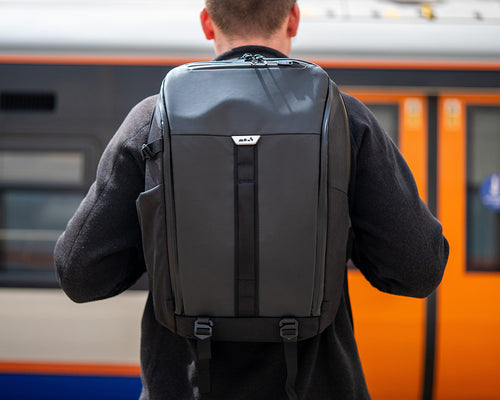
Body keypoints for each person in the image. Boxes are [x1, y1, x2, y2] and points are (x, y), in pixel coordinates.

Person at [54, 1, 449, 399]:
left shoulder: (151, 120)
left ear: (207, 23)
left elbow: (79, 274)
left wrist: (158, 236)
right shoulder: (345, 119)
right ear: (293, 18)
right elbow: (419, 268)